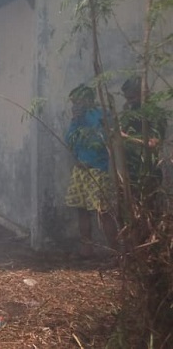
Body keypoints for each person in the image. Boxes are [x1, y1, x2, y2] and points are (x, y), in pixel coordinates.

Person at [64, 84, 119, 258]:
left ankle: (116, 253)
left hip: (97, 171)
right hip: (80, 171)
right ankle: (86, 249)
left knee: (103, 212)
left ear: (88, 100)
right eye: (74, 102)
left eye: (78, 101)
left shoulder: (102, 116)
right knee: (82, 210)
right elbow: (70, 142)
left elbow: (104, 141)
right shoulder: (76, 120)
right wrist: (75, 120)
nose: (76, 105)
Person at [120, 75, 167, 197]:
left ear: (142, 93)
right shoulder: (132, 113)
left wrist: (126, 137)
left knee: (150, 208)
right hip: (131, 172)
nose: (128, 102)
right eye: (127, 98)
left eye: (131, 98)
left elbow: (153, 143)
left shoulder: (156, 114)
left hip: (148, 171)